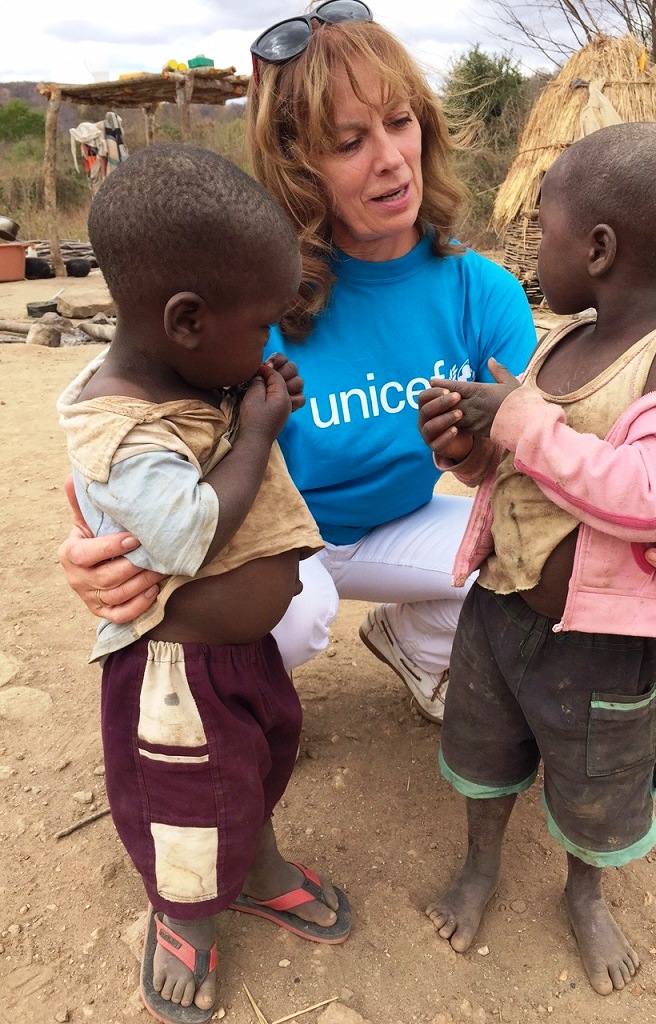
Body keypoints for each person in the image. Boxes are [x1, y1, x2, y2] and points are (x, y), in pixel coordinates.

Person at [56, 3, 656, 727]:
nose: (390, 158)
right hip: (274, 538)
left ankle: (416, 643)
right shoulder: (249, 292)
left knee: (535, 555)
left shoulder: (482, 293)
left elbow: (569, 444)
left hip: (401, 524)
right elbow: (135, 419)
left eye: (400, 121)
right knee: (293, 615)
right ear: (297, 165)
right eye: (349, 141)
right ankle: (238, 716)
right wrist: (91, 539)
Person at [416, 123, 656, 995]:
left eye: (541, 229)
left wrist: (523, 421)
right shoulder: (558, 343)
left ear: (597, 248)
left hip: (602, 644)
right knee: (483, 752)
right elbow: (523, 469)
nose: (531, 245)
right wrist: (467, 449)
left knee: (600, 779)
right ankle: (482, 865)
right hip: (500, 609)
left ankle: (584, 894)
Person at [57, 144, 351, 1024]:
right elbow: (187, 528)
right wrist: (256, 431)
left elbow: (221, 443)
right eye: (261, 328)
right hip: (175, 680)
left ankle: (257, 871)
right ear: (186, 320)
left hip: (237, 657)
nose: (268, 344)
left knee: (254, 766)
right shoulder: (121, 433)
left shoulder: (189, 373)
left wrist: (258, 403)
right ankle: (184, 920)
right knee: (187, 807)